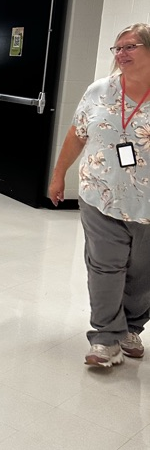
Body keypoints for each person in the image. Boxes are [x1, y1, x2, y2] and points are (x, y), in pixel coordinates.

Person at [49, 23, 150, 368]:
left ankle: (130, 329)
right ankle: (106, 338)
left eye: (130, 47)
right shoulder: (99, 91)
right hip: (100, 195)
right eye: (117, 48)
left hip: (148, 204)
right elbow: (77, 134)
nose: (120, 54)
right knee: (105, 267)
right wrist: (58, 174)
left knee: (143, 272)